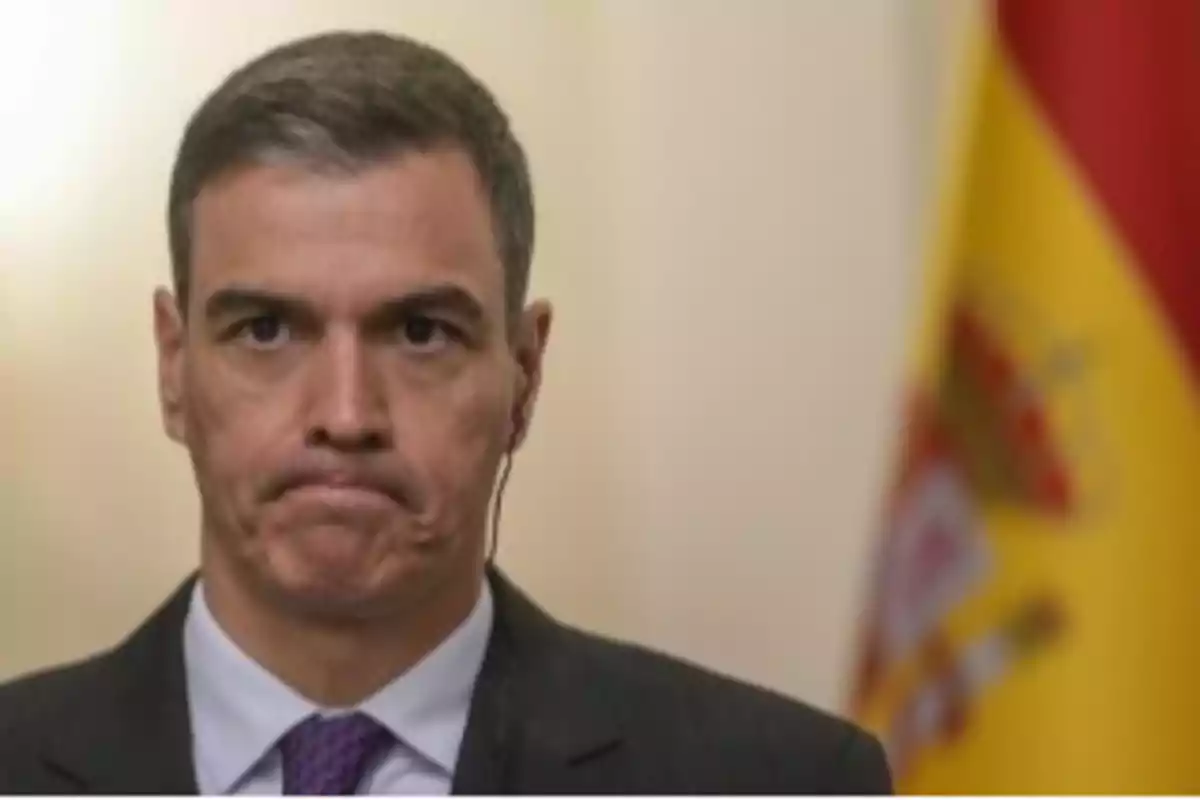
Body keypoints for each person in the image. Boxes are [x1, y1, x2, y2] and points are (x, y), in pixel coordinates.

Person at [0, 30, 891, 795]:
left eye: (420, 332)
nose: (346, 415)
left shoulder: (779, 780)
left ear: (526, 373)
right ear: (172, 365)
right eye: (266, 329)